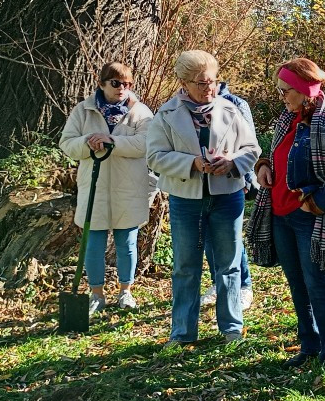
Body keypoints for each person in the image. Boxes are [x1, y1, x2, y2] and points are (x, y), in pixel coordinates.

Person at [146, 50, 260, 346]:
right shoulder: (166, 114)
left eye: (211, 81)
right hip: (187, 199)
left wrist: (232, 162)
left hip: (227, 197)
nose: (208, 88)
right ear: (183, 83)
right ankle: (182, 333)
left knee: (228, 264)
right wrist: (191, 163)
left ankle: (231, 328)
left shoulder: (230, 109)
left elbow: (252, 149)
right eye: (200, 83)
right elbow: (155, 157)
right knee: (186, 265)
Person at [253, 58, 325, 368]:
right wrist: (263, 167)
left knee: (317, 284)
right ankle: (309, 346)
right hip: (280, 215)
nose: (282, 96)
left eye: (286, 90)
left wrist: (316, 203)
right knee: (297, 283)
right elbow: (278, 158)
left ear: (303, 89)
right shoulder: (286, 121)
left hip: (308, 218)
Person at [59, 62, 154, 314]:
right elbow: (67, 144)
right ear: (101, 84)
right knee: (94, 244)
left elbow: (146, 143)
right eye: (116, 83)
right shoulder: (84, 111)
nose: (122, 88)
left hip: (129, 187)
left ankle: (126, 292)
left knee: (127, 244)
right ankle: (96, 294)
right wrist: (88, 143)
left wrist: (112, 140)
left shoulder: (140, 112)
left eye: (127, 84)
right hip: (95, 187)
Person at [200, 82, 258, 312]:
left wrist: (244, 177)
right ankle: (217, 283)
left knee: (231, 239)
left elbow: (249, 144)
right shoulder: (185, 106)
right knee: (208, 239)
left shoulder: (235, 104)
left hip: (232, 181)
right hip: (199, 186)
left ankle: (244, 286)